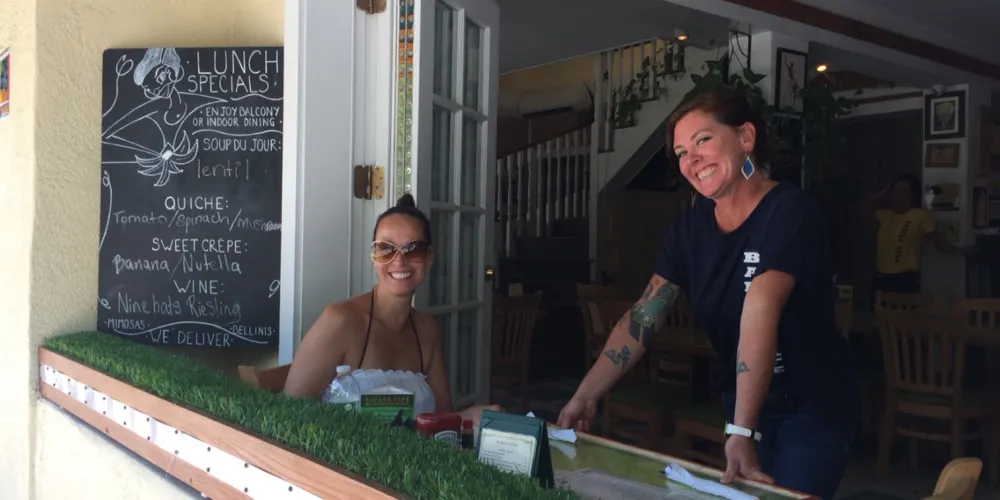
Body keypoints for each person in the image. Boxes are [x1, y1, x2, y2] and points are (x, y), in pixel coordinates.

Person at [556, 88, 858, 500]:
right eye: (681, 152)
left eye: (703, 140)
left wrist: (741, 430)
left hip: (812, 405)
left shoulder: (790, 212)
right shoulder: (690, 228)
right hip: (744, 401)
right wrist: (585, 395)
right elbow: (645, 315)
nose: (691, 159)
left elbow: (761, 304)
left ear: (745, 137)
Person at [283, 194, 499, 424]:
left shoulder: (426, 330)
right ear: (373, 258)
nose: (399, 261)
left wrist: (469, 416)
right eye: (385, 249)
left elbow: (442, 418)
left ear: (429, 257)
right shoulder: (341, 321)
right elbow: (287, 416)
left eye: (413, 249)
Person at [862, 174, 974, 296]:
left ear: (913, 194)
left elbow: (938, 242)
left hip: (904, 278)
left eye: (904, 190)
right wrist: (883, 193)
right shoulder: (885, 215)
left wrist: (959, 251)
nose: (899, 194)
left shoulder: (921, 215)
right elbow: (864, 208)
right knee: (878, 307)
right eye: (896, 190)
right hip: (881, 277)